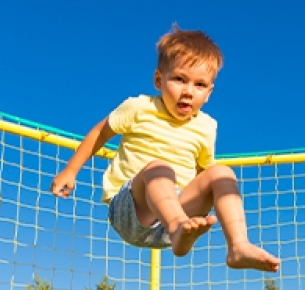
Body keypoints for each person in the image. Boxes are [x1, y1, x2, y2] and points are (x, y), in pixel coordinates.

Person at [50, 24, 280, 273]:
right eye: (180, 79)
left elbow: (205, 174)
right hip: (132, 211)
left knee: (222, 173)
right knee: (159, 168)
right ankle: (179, 226)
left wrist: (211, 193)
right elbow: (100, 132)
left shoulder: (206, 126)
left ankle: (238, 245)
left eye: (199, 85)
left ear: (209, 93)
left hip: (176, 214)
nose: (188, 92)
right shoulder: (139, 107)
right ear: (159, 80)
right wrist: (70, 171)